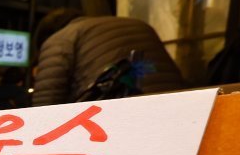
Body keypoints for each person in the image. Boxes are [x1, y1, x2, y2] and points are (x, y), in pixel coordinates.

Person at [31, 9, 185, 106]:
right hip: (174, 107)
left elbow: (46, 102)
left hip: (114, 118)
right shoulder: (140, 24)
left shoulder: (61, 38)